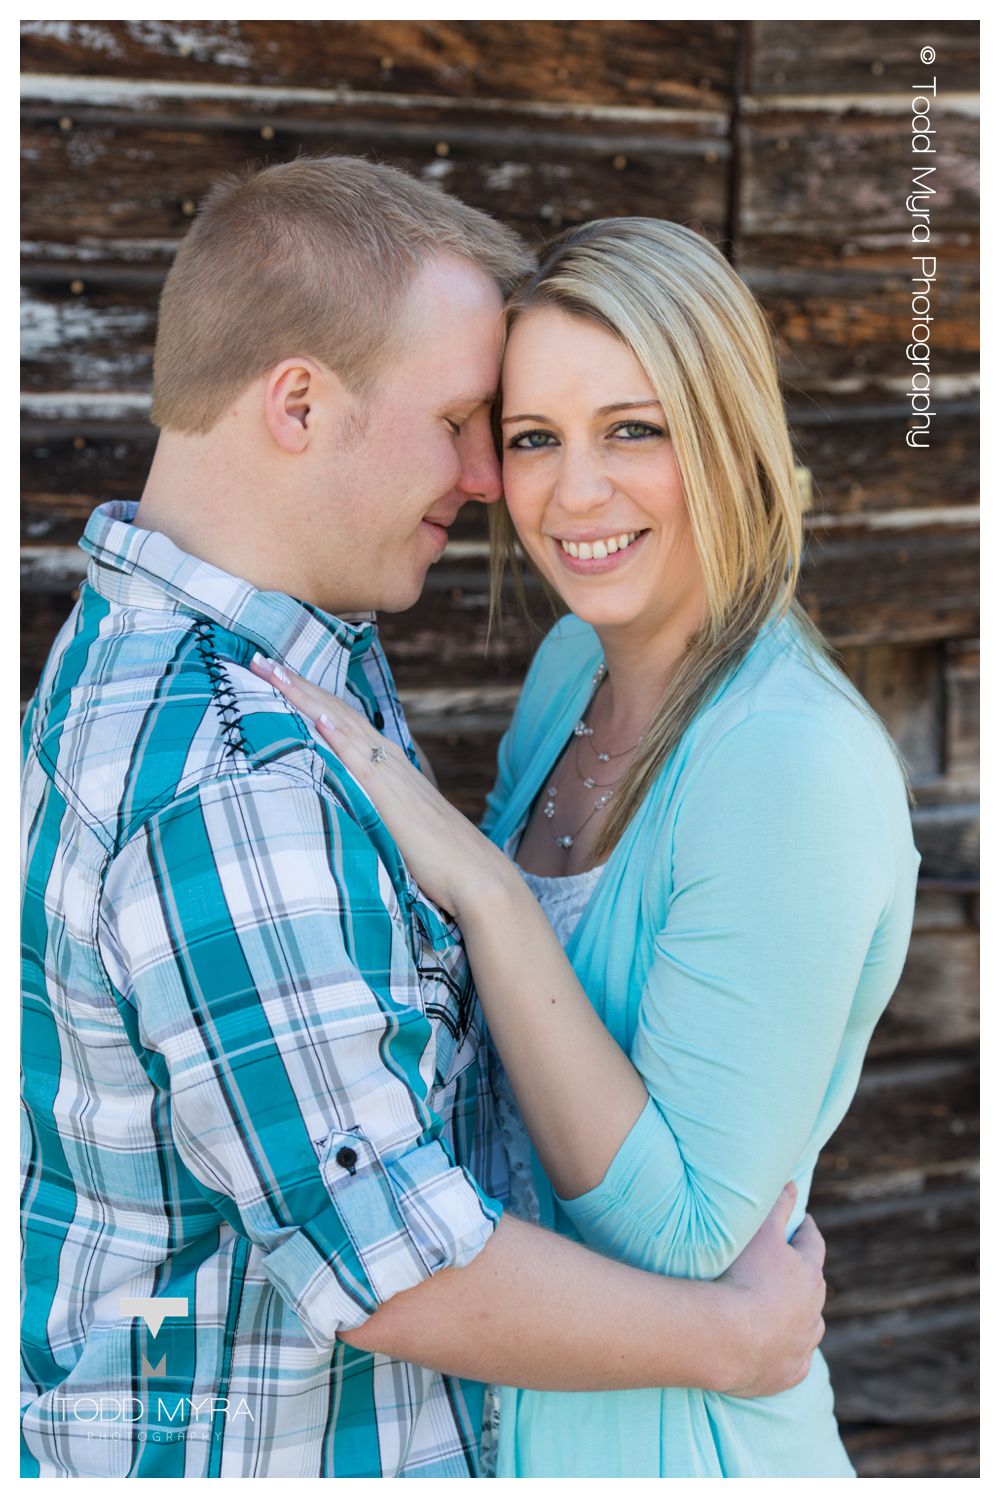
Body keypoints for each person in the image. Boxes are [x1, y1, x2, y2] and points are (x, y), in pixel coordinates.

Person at [20, 161, 827, 1480]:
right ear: (298, 404)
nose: (487, 476)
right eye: (459, 419)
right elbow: (393, 1266)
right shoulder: (230, 780)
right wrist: (730, 1336)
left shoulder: (214, 637)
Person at [258, 215, 921, 1477]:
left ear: (723, 430)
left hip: (684, 1451)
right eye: (532, 439)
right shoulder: (571, 671)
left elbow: (679, 1233)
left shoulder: (788, 762)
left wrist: (485, 890)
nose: (574, 494)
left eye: (633, 429)